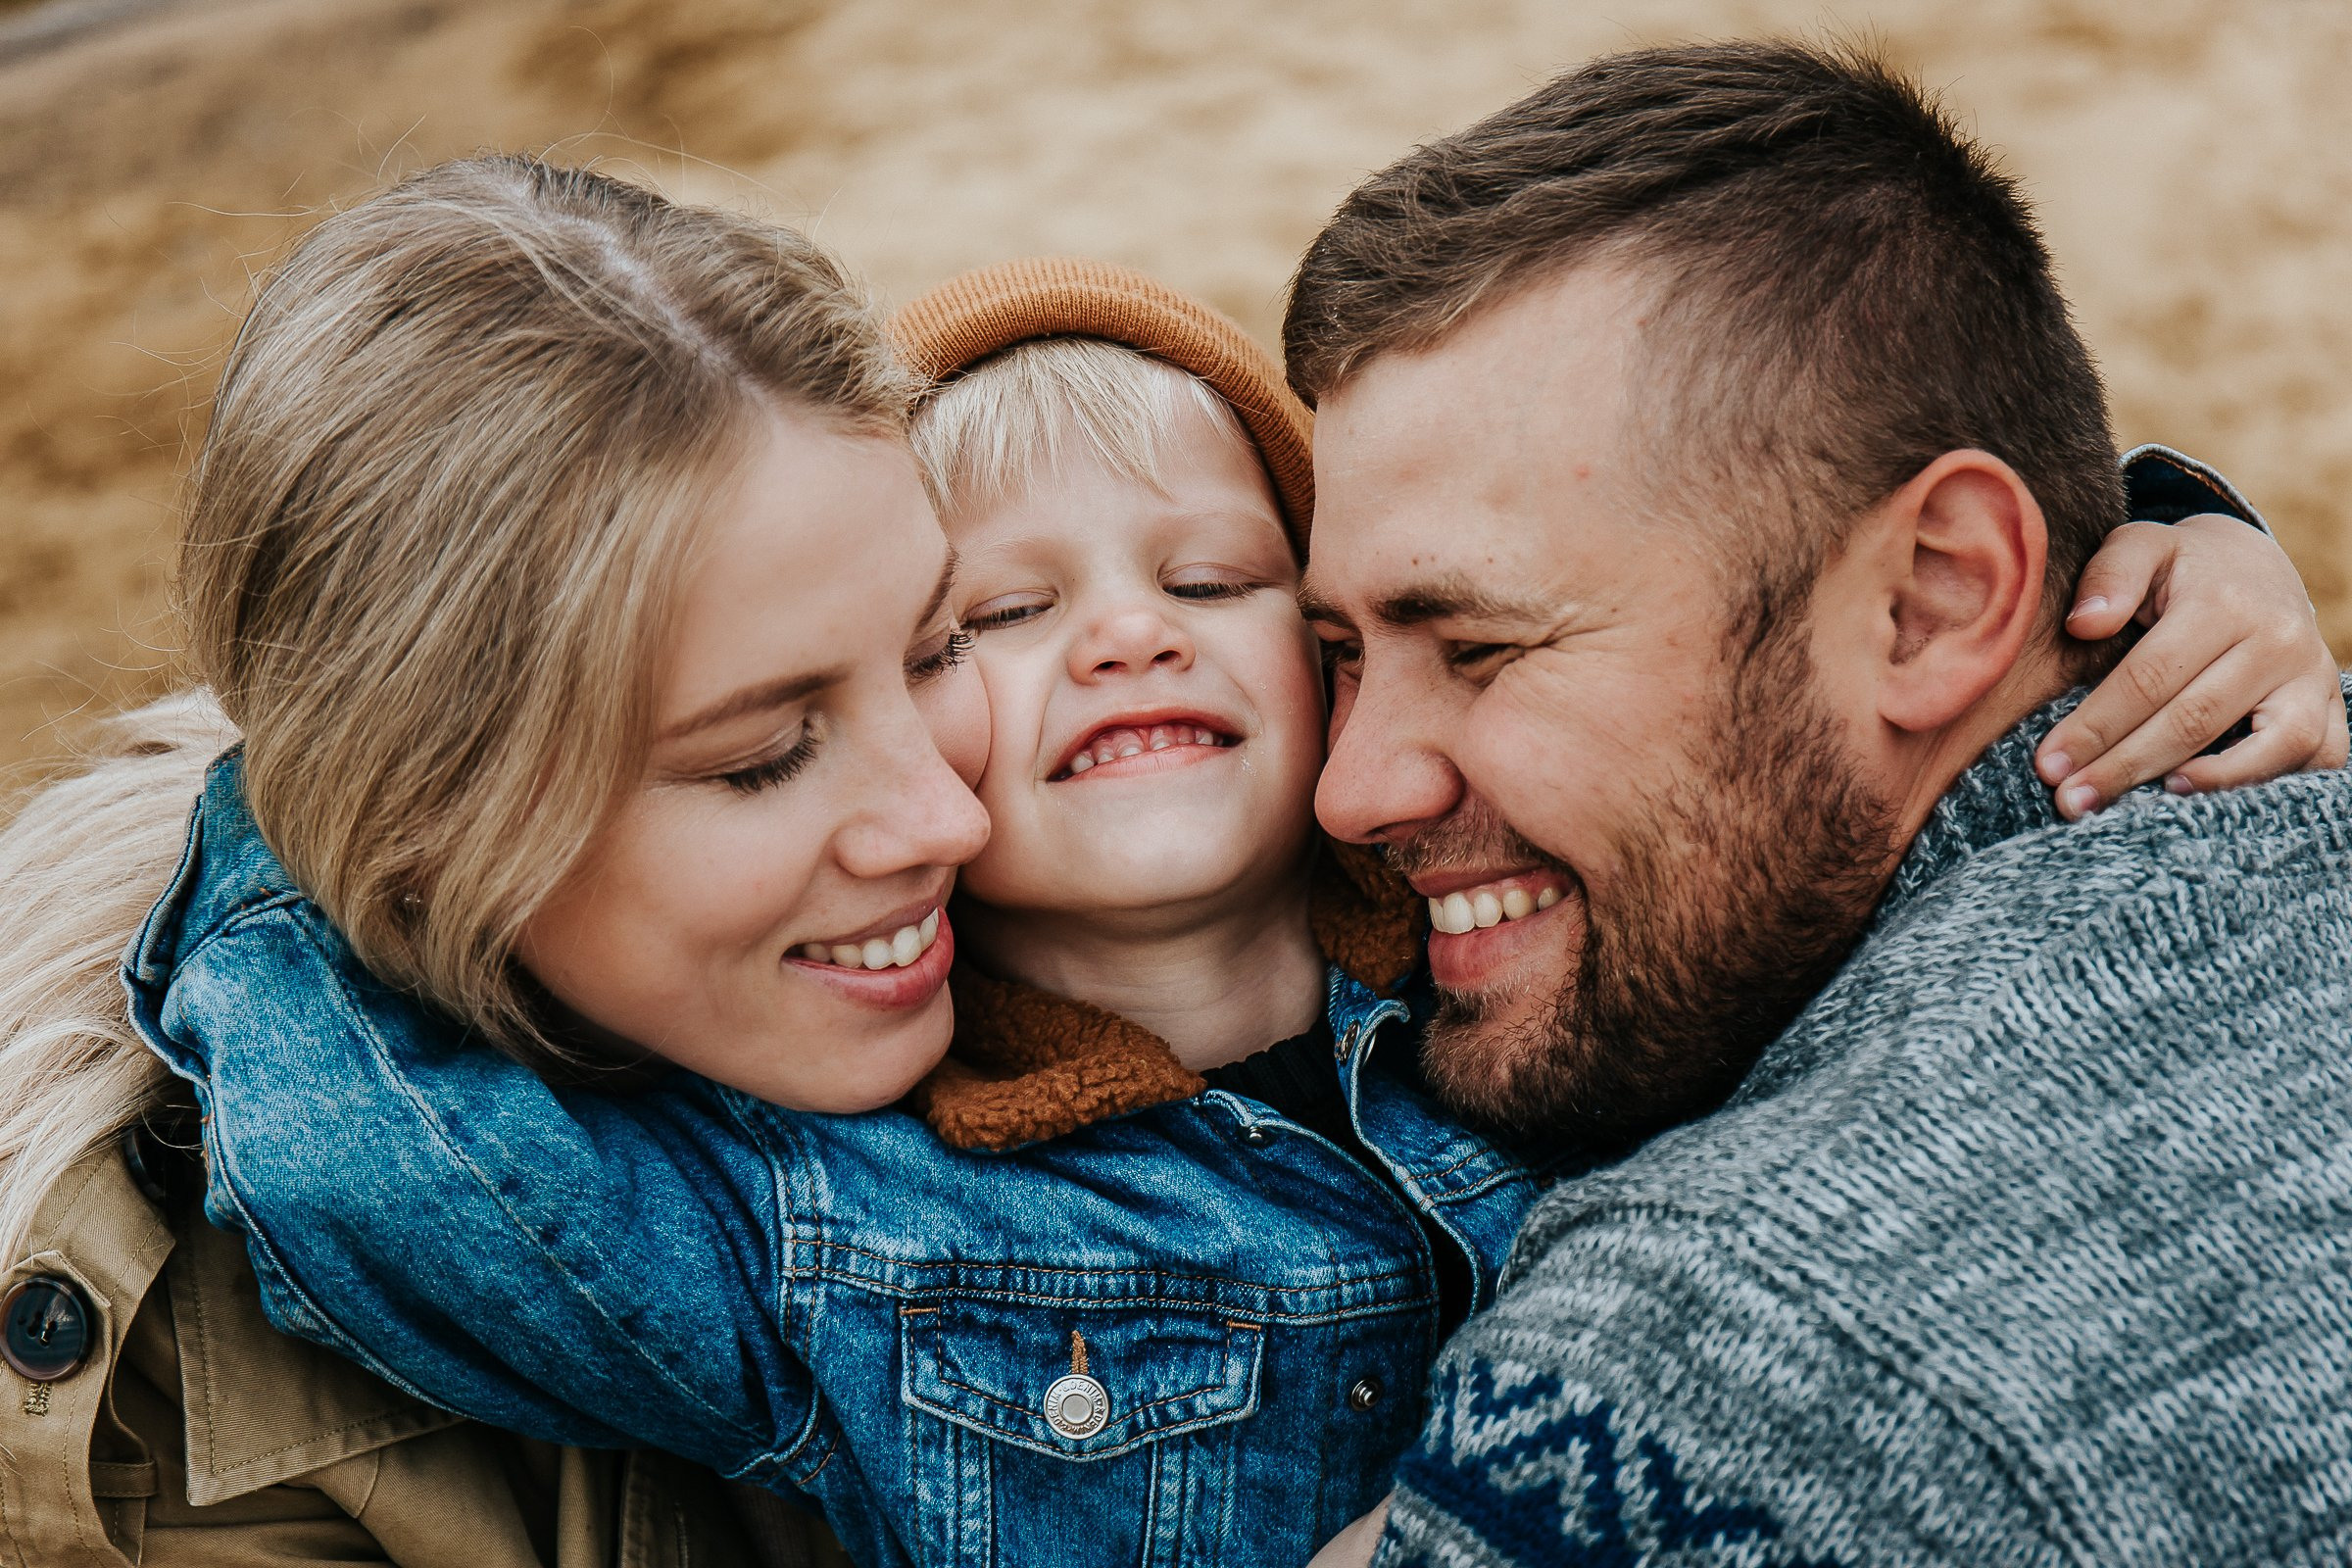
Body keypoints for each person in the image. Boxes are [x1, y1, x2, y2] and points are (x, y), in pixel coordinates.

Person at [115, 216, 2327, 1568]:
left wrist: (2167, 554)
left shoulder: (1533, 947)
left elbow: (1795, 728)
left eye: (1213, 578)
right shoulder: (815, 1199)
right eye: (984, 624)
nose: (1126, 639)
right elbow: (362, 1155)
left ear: (1335, 650)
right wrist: (262, 819)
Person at [1283, 40, 2352, 1566]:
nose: (1350, 788)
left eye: (1480, 645)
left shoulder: (1710, 1377)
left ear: (1931, 600)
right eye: (1337, 653)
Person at [0, 154, 929, 1566]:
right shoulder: (181, 1439)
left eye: (944, 647)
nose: (945, 817)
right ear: (431, 824)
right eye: (761, 756)